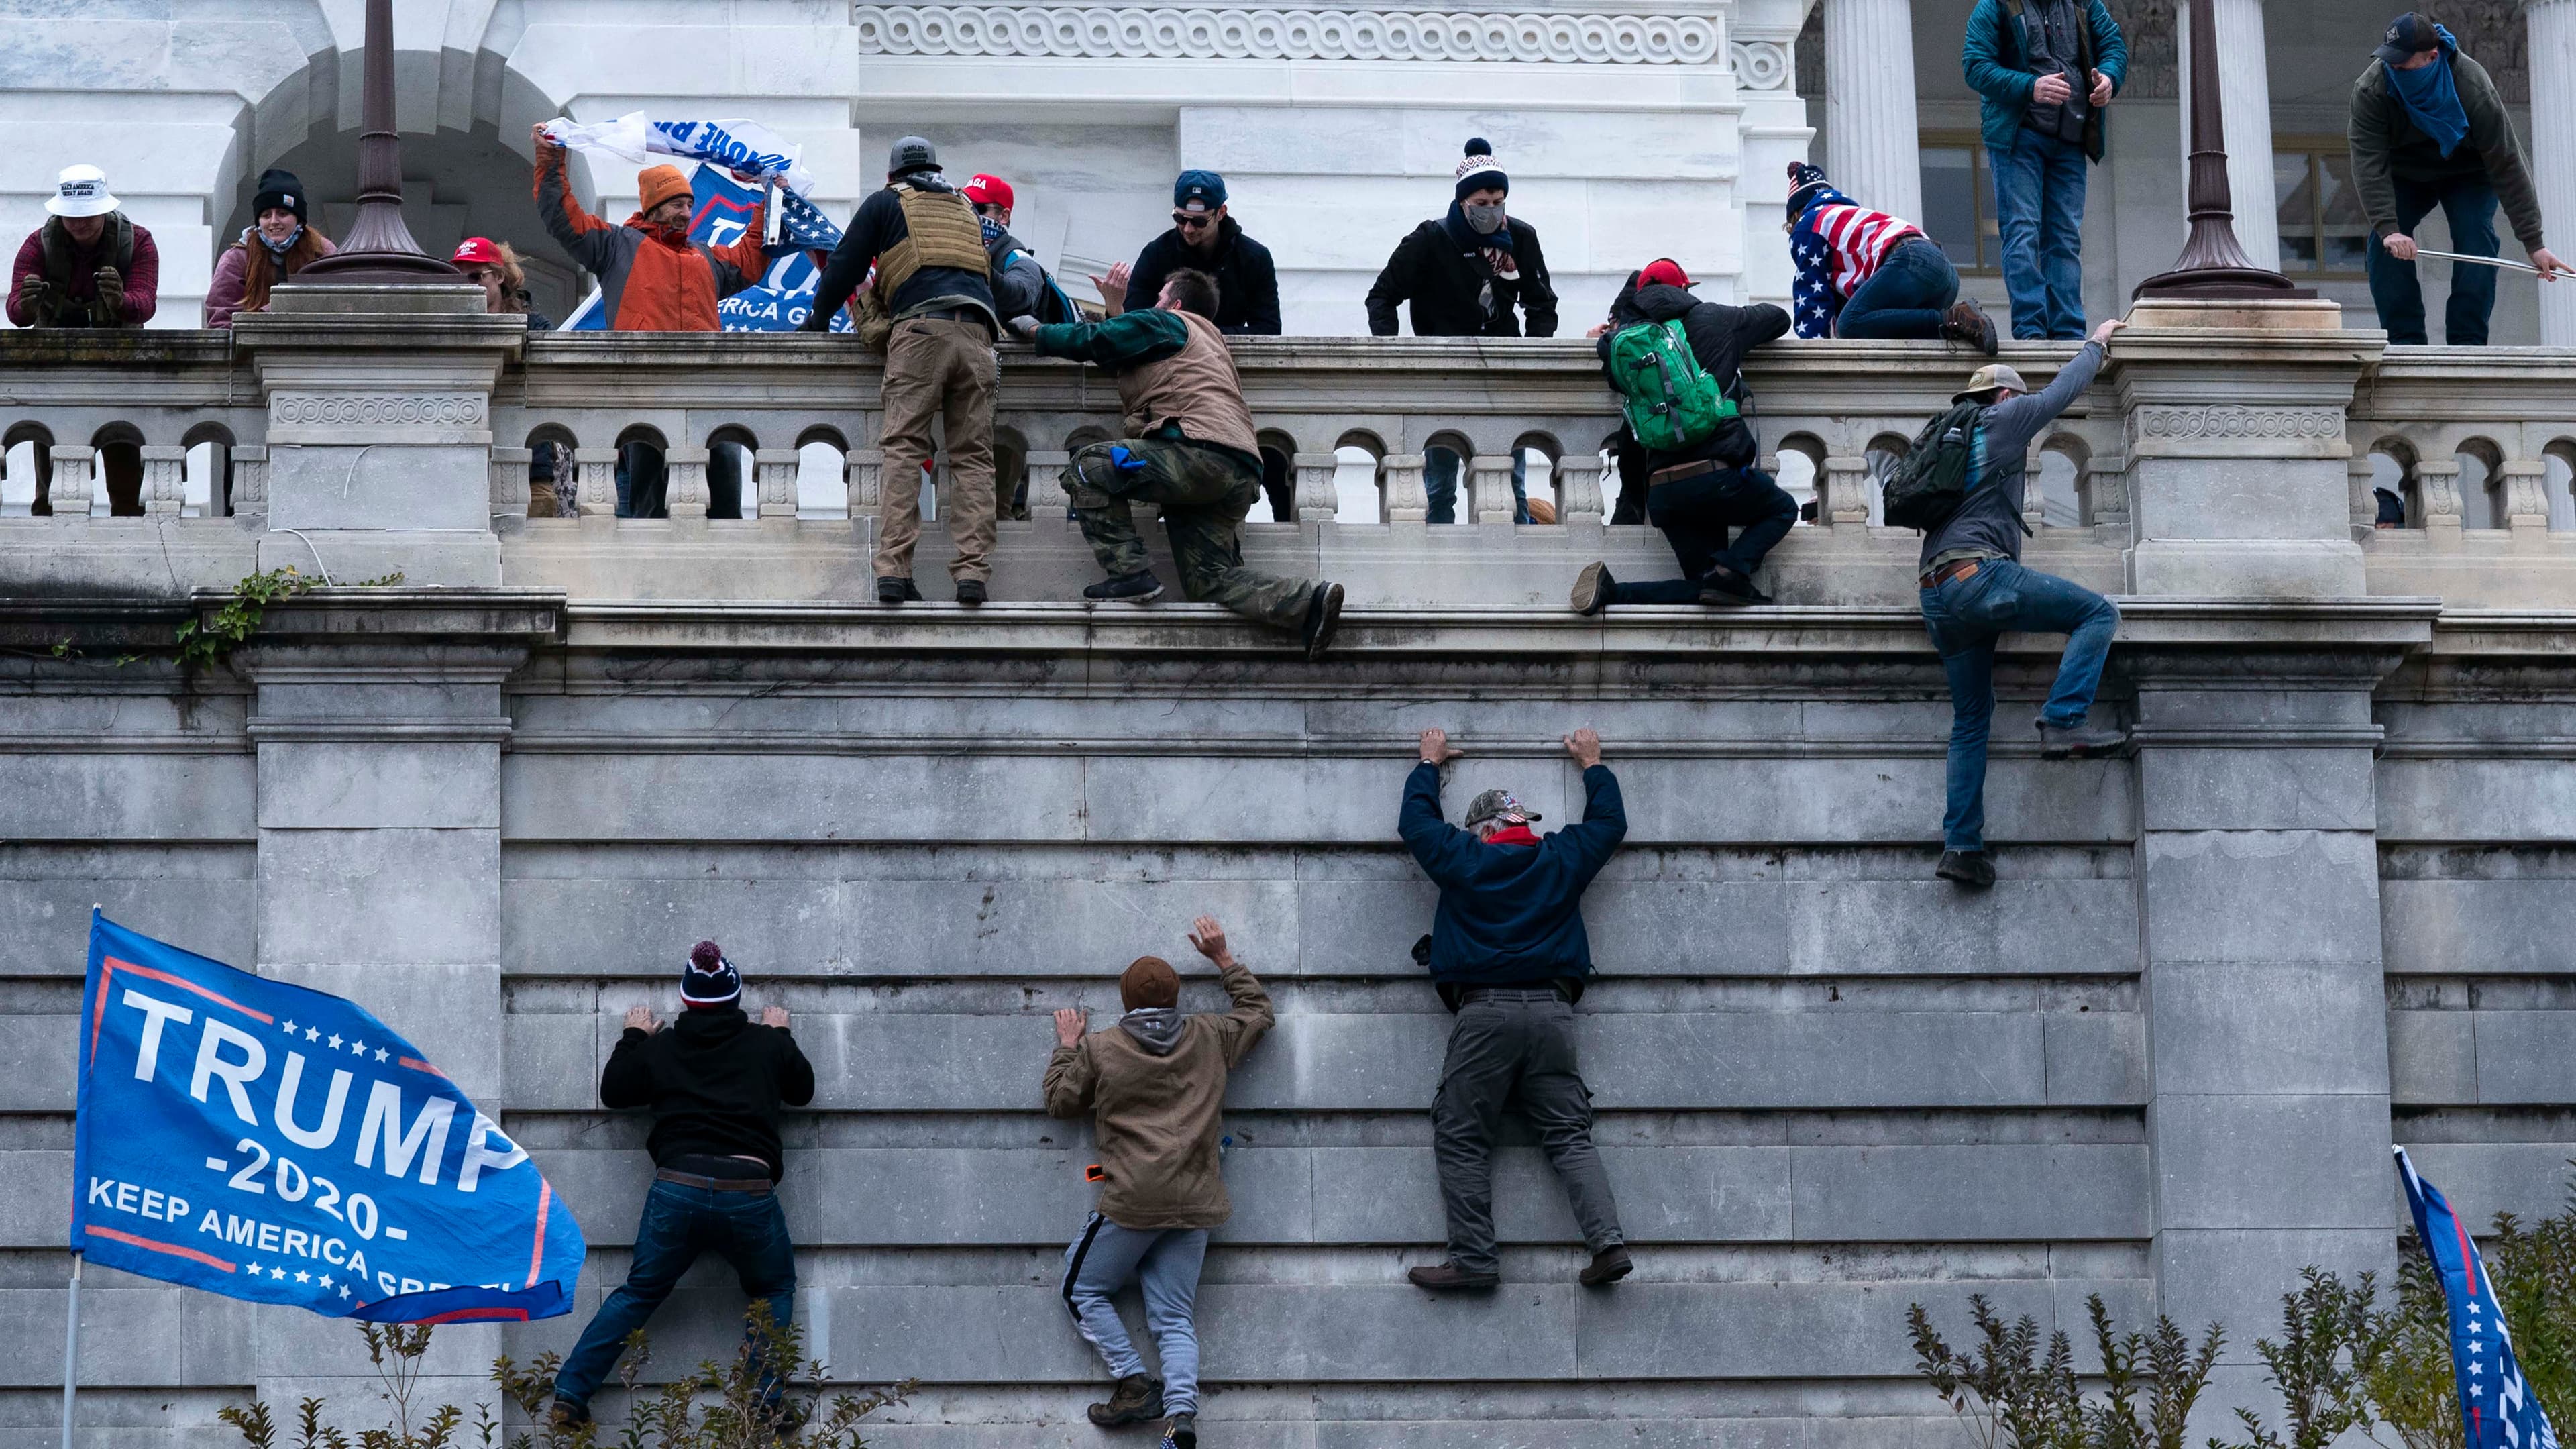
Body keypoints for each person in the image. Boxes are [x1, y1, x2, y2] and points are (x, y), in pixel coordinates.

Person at [1398, 726, 1631, 1293]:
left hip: (1485, 1014)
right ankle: (1608, 1245)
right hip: (1553, 1015)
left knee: (1460, 1132)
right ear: (1523, 824)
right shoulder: (1561, 857)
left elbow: (1416, 825)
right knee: (1569, 1136)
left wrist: (1428, 764)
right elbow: (1609, 825)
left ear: (1483, 831)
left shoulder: (1463, 858)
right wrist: (1593, 764)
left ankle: (1475, 1260)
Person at [1012, 268, 1346, 658]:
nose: (1153, 305)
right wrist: (1116, 308)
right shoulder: (1211, 341)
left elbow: (1098, 341)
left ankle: (1130, 574)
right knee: (1209, 580)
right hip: (1236, 470)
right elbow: (1130, 351)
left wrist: (1037, 333)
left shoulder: (1168, 321)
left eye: (1158, 298)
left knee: (1087, 466)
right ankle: (1308, 603)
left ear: (1176, 303)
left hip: (1195, 456)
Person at [549, 943, 815, 1429]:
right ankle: (764, 1402)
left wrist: (633, 1036)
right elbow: (803, 1090)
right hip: (748, 1189)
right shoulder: (765, 1043)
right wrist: (781, 1035)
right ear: (736, 1000)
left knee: (638, 1293)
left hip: (679, 1188)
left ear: (687, 1003)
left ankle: (571, 1391)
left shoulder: (662, 1047)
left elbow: (615, 1091)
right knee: (774, 1287)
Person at [1044, 915, 1273, 1449]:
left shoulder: (1101, 1048)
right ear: (1176, 999)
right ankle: (1181, 1419)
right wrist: (1223, 959)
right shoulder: (1212, 1035)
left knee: (1080, 1288)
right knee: (1174, 1316)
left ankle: (1133, 1384)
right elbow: (1259, 1013)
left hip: (1133, 1203)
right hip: (1198, 1202)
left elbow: (1060, 1102)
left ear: (1125, 1002)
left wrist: (1068, 1046)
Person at [1920, 317, 2129, 891]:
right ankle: (2062, 720)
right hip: (1979, 578)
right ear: (2005, 394)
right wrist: (2098, 343)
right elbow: (2062, 392)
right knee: (2097, 614)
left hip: (1936, 593)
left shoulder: (1950, 436)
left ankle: (1961, 847)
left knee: (1970, 720)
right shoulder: (2005, 418)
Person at [804, 136, 1003, 606]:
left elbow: (843, 267)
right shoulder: (965, 209)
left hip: (921, 334)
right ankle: (972, 575)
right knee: (974, 457)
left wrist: (816, 320)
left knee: (905, 448)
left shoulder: (886, 203)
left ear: (893, 175)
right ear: (936, 169)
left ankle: (895, 570)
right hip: (978, 336)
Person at [1574, 258, 1796, 610]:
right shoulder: (1715, 318)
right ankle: (1732, 569)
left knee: (1705, 589)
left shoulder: (1622, 345)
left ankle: (1615, 593)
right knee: (1783, 509)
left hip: (1664, 492)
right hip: (1717, 477)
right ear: (1683, 290)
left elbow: (1625, 421)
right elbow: (1779, 319)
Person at [1366, 139, 1557, 525]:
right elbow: (1382, 297)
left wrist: (1531, 357)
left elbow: (1542, 302)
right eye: (1482, 203)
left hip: (1502, 371)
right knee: (1438, 484)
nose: (1492, 211)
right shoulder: (1430, 239)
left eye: (1498, 201)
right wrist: (1397, 356)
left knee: (1510, 483)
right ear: (1463, 201)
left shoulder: (1520, 238)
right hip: (1443, 373)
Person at [2350, 12, 2565, 347]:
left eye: (2403, 65)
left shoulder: (2472, 86)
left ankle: (2468, 342)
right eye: (2390, 63)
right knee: (2383, 245)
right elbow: (2367, 162)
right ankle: (2405, 342)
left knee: (2476, 238)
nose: (2394, 70)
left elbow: (2508, 163)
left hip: (2468, 171)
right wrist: (2389, 227)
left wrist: (2534, 243)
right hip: (2406, 172)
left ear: (2432, 58)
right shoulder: (2372, 88)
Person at [1962, 0, 2127, 341]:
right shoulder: (1996, 6)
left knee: (2064, 237)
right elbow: (1975, 66)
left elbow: (2113, 46)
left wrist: (2110, 77)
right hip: (2019, 137)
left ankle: (2068, 332)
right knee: (2022, 231)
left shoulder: (2085, 5)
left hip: (2069, 139)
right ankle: (2031, 331)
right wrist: (2030, 86)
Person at [1788, 161, 1996, 352]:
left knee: (1849, 324)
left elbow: (1812, 294)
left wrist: (1815, 349)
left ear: (1796, 214)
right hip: (1943, 273)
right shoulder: (1847, 218)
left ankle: (1955, 318)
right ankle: (1958, 325)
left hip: (1911, 261)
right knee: (1881, 326)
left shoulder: (1809, 223)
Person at [1093, 170, 1280, 336]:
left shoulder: (1254, 258)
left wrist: (1197, 333)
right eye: (1180, 218)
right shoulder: (1156, 253)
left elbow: (1268, 330)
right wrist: (1114, 306)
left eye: (1199, 222)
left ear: (1221, 213)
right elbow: (1131, 323)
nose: (1188, 229)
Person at [9, 165, 157, 329]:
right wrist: (26, 307)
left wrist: (121, 302)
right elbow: (15, 312)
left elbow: (146, 304)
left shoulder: (137, 242)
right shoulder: (38, 245)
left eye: (88, 215)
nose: (80, 223)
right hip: (51, 346)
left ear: (104, 211)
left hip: (122, 346)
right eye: (71, 215)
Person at [205, 168, 335, 329]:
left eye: (282, 213)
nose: (274, 221)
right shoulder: (237, 259)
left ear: (298, 219)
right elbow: (221, 319)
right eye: (266, 215)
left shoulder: (323, 253)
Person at [451, 236, 557, 329]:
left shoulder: (533, 326)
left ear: (500, 277)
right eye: (461, 278)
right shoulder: (451, 323)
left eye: (475, 277)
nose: (468, 285)